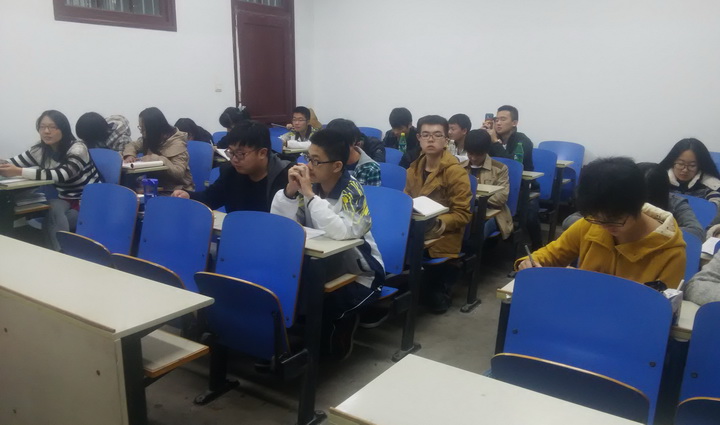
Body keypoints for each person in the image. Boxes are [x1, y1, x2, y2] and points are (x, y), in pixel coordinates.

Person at [271, 129, 385, 360]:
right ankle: (286, 350)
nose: (308, 166)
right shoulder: (311, 186)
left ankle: (331, 346)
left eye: (316, 161)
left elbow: (343, 232)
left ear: (336, 166)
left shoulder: (351, 190)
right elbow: (281, 227)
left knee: (323, 306)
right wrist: (290, 192)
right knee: (286, 292)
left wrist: (310, 196)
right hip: (321, 266)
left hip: (360, 272)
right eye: (307, 158)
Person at [517, 157, 686, 288]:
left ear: (638, 205)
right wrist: (530, 263)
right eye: (597, 218)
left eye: (615, 220)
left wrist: (587, 282)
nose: (604, 226)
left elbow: (660, 309)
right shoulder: (590, 225)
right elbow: (552, 254)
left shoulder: (670, 253)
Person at [0, 110, 102, 250]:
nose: (46, 131)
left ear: (63, 129)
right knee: (53, 209)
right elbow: (11, 162)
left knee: (53, 215)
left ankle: (58, 252)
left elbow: (62, 174)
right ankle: (59, 252)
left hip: (88, 201)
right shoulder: (40, 150)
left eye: (52, 127)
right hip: (65, 199)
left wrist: (19, 171)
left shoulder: (78, 148)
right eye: (42, 127)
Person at [404, 115, 472, 313]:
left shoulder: (455, 172)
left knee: (432, 301)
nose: (431, 139)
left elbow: (463, 214)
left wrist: (435, 222)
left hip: (442, 234)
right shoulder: (413, 169)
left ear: (446, 139)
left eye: (437, 135)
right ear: (418, 138)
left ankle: (444, 278)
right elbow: (406, 199)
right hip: (415, 230)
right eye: (425, 135)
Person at [562, 162, 705, 241]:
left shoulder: (675, 203)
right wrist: (606, 223)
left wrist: (650, 230)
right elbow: (570, 220)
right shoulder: (616, 200)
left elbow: (696, 232)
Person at [172, 120, 292, 212]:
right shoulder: (230, 171)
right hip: (238, 232)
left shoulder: (286, 176)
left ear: (262, 153)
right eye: (231, 152)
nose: (234, 159)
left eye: (240, 154)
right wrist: (188, 196)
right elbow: (210, 198)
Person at [484, 104, 542, 249]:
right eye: (496, 119)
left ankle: (538, 246)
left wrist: (495, 142)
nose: (498, 123)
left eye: (503, 119)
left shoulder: (523, 141)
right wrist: (482, 136)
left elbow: (512, 166)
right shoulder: (491, 138)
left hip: (523, 188)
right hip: (496, 186)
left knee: (530, 217)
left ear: (514, 123)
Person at [122, 107, 194, 191]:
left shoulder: (177, 143)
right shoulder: (152, 138)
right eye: (140, 128)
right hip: (155, 184)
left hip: (177, 189)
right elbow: (132, 145)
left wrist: (158, 159)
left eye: (143, 129)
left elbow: (178, 172)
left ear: (153, 128)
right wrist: (130, 155)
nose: (141, 132)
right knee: (128, 186)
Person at [465, 129, 513, 239]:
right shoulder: (459, 167)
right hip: (466, 211)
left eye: (478, 154)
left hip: (493, 213)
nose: (473, 158)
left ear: (486, 151)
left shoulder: (499, 169)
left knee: (477, 231)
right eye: (470, 154)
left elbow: (501, 197)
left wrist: (477, 200)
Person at [659, 138, 720, 208]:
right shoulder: (660, 180)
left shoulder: (710, 185)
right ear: (672, 162)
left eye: (692, 165)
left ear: (700, 166)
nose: (685, 170)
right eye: (680, 164)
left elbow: (714, 208)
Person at [326, 118, 382, 186]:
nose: (335, 149)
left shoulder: (371, 168)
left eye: (341, 146)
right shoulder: (325, 161)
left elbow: (372, 192)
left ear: (354, 142)